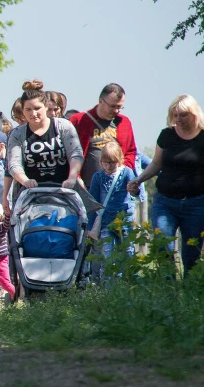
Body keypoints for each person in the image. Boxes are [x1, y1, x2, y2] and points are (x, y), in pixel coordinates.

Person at [128, 94, 204, 276]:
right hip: (165, 202)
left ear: (194, 114)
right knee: (163, 246)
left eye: (183, 115)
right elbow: (156, 163)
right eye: (175, 115)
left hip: (196, 204)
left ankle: (189, 290)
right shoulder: (166, 135)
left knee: (191, 254)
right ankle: (168, 288)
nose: (178, 119)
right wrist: (139, 179)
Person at [3, 81, 84, 213]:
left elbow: (75, 153)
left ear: (46, 107)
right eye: (28, 110)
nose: (33, 113)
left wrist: (72, 177)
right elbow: (13, 164)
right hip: (30, 195)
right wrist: (25, 180)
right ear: (22, 111)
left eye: (37, 108)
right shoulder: (17, 134)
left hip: (65, 191)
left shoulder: (64, 126)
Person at [70, 84, 137, 186]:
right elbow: (68, 152)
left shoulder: (124, 123)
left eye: (119, 107)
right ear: (101, 101)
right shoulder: (78, 120)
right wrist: (76, 176)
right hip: (85, 186)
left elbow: (130, 151)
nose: (116, 111)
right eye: (112, 106)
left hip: (115, 187)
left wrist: (123, 171)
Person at [88, 141, 133, 269]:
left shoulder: (126, 173)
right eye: (105, 162)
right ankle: (108, 280)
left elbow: (135, 193)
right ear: (101, 161)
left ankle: (128, 278)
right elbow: (93, 203)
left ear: (119, 160)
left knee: (127, 254)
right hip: (106, 222)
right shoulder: (98, 177)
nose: (108, 166)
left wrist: (134, 189)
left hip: (124, 221)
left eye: (112, 162)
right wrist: (90, 227)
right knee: (107, 256)